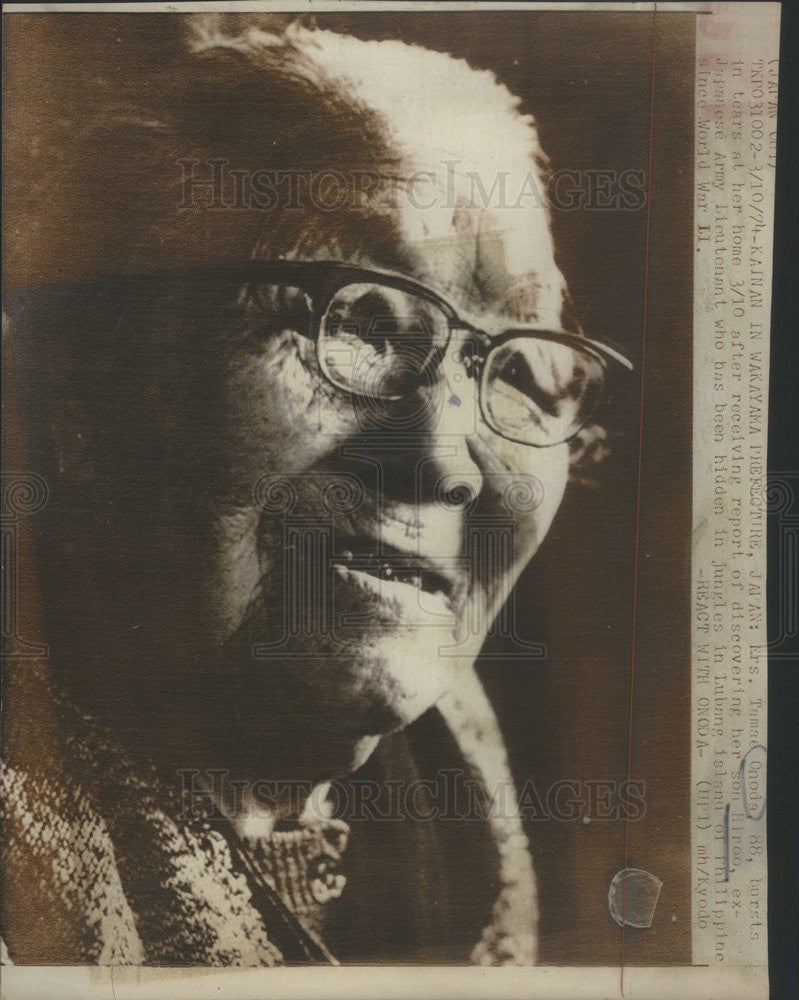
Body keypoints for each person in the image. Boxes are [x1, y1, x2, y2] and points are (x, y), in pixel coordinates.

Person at [2, 17, 631, 966]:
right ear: (82, 384)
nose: (445, 462)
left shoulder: (461, 824)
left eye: (516, 368)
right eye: (363, 322)